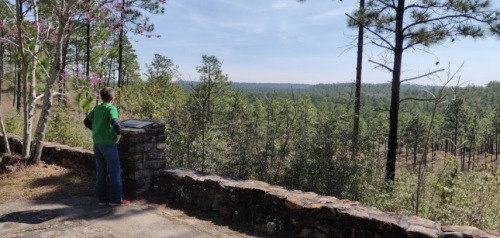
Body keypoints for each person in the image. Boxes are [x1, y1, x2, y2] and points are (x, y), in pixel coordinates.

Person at [84, 87, 130, 206]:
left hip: (97, 143)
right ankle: (115, 199)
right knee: (115, 171)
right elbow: (116, 123)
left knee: (101, 172)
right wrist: (118, 134)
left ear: (101, 97)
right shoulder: (111, 108)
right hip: (108, 144)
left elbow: (86, 122)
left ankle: (102, 199)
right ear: (113, 98)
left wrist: (96, 130)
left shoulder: (97, 108)